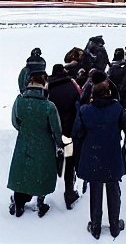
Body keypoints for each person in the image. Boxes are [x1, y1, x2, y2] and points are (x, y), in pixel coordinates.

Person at [72, 75, 126, 239]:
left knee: (95, 190)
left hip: (93, 155)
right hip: (112, 155)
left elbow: (77, 133)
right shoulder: (117, 108)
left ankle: (96, 226)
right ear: (108, 92)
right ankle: (115, 226)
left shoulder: (85, 110)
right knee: (113, 189)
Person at [8, 69, 63, 218]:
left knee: (22, 172)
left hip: (24, 142)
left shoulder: (19, 101)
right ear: (44, 84)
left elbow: (15, 122)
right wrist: (59, 144)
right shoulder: (49, 106)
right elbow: (56, 130)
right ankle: (40, 202)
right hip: (44, 145)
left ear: (30, 82)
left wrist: (25, 130)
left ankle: (19, 204)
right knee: (41, 172)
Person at [47, 63, 82, 209]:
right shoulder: (72, 86)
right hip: (69, 133)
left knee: (49, 160)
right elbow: (79, 107)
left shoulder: (48, 89)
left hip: (51, 134)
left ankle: (43, 195)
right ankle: (69, 193)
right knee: (70, 162)